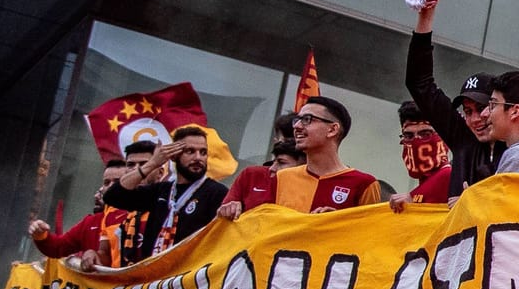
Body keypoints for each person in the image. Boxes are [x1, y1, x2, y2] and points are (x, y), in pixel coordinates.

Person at [403, 0, 507, 199]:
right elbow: (419, 83)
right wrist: (425, 15)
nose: (475, 119)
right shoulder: (462, 139)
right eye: (468, 112)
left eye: (481, 108)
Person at [217, 97, 379, 218]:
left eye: (307, 120)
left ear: (332, 130)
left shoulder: (363, 184)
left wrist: (336, 224)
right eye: (298, 120)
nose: (297, 126)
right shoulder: (282, 177)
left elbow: (368, 239)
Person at [101, 125, 229, 259]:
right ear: (173, 156)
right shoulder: (161, 190)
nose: (198, 158)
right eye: (190, 151)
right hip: (155, 275)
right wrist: (153, 163)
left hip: (189, 275)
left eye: (203, 152)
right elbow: (113, 196)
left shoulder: (217, 193)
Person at [28, 158, 134, 270]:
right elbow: (57, 247)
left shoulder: (142, 216)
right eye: (107, 182)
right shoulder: (90, 223)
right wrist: (40, 235)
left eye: (117, 182)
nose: (111, 186)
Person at [388, 100, 454, 211]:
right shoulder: (424, 185)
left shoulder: (449, 176)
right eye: (409, 135)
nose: (417, 142)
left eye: (425, 134)